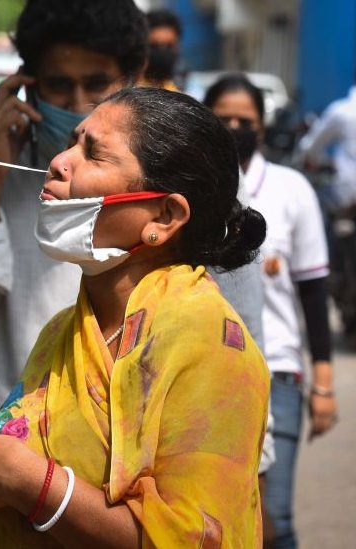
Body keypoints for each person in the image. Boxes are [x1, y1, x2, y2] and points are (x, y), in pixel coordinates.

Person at [0, 86, 270, 547]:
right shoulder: (64, 331)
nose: (58, 162)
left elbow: (194, 539)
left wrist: (26, 481)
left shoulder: (208, 342)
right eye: (72, 141)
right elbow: (48, 493)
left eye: (93, 154)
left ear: (165, 216)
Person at [0, 0, 148, 437]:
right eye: (60, 86)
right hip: (12, 456)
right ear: (26, 84)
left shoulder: (184, 173)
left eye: (97, 84)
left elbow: (236, 322)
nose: (80, 106)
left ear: (134, 77)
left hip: (138, 450)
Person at [205, 73, 339, 549]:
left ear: (262, 126)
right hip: (201, 371)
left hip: (275, 371)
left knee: (271, 514)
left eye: (246, 119)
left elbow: (313, 291)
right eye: (223, 119)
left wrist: (322, 383)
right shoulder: (189, 191)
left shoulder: (291, 189)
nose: (236, 127)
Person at [298, 81, 356, 209]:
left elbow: (311, 147)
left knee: (313, 201)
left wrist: (311, 159)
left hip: (345, 194)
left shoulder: (342, 111)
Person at [139, 8, 183, 91]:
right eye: (154, 46)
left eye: (169, 46)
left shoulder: (184, 91)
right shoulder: (126, 91)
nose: (162, 51)